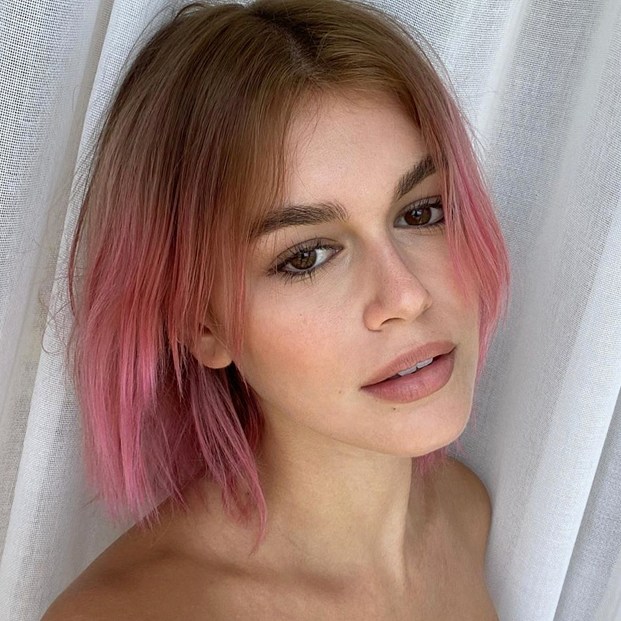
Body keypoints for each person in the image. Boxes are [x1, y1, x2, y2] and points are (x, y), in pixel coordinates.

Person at [43, 0, 510, 618]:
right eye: (307, 256)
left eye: (422, 213)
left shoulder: (467, 514)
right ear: (202, 325)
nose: (406, 296)